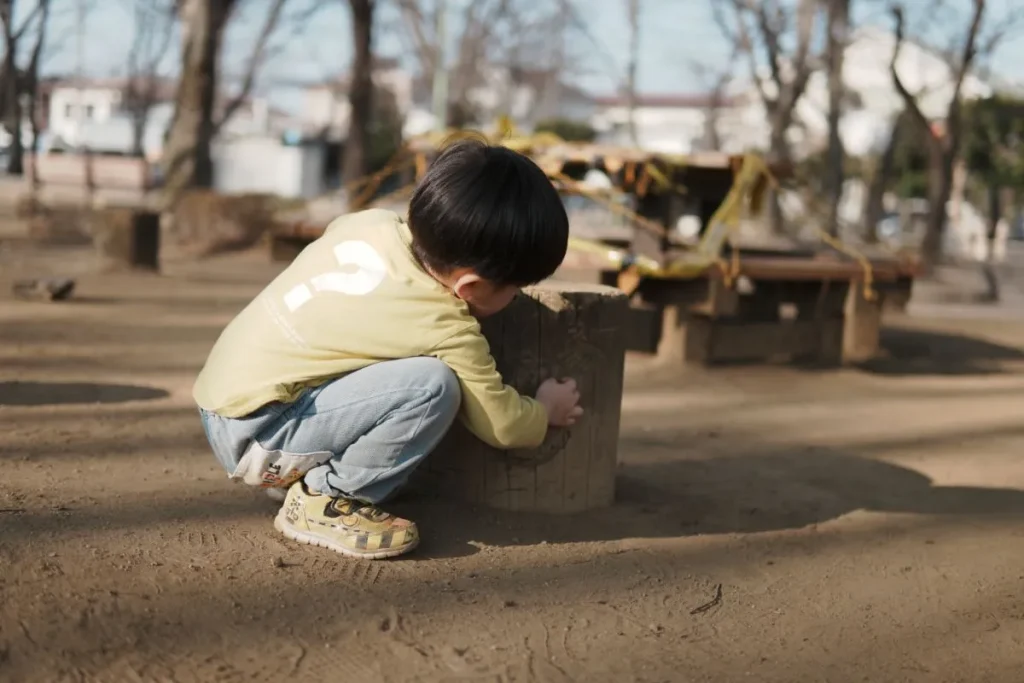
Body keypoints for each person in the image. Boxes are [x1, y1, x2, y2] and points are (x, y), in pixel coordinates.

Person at [194, 137, 583, 560]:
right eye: (516, 289)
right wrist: (544, 411)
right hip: (259, 435)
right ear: (469, 287)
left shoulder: (368, 224)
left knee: (362, 352)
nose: (518, 297)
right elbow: (503, 424)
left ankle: (302, 477)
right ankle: (325, 498)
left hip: (223, 401)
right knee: (432, 385)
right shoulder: (447, 326)